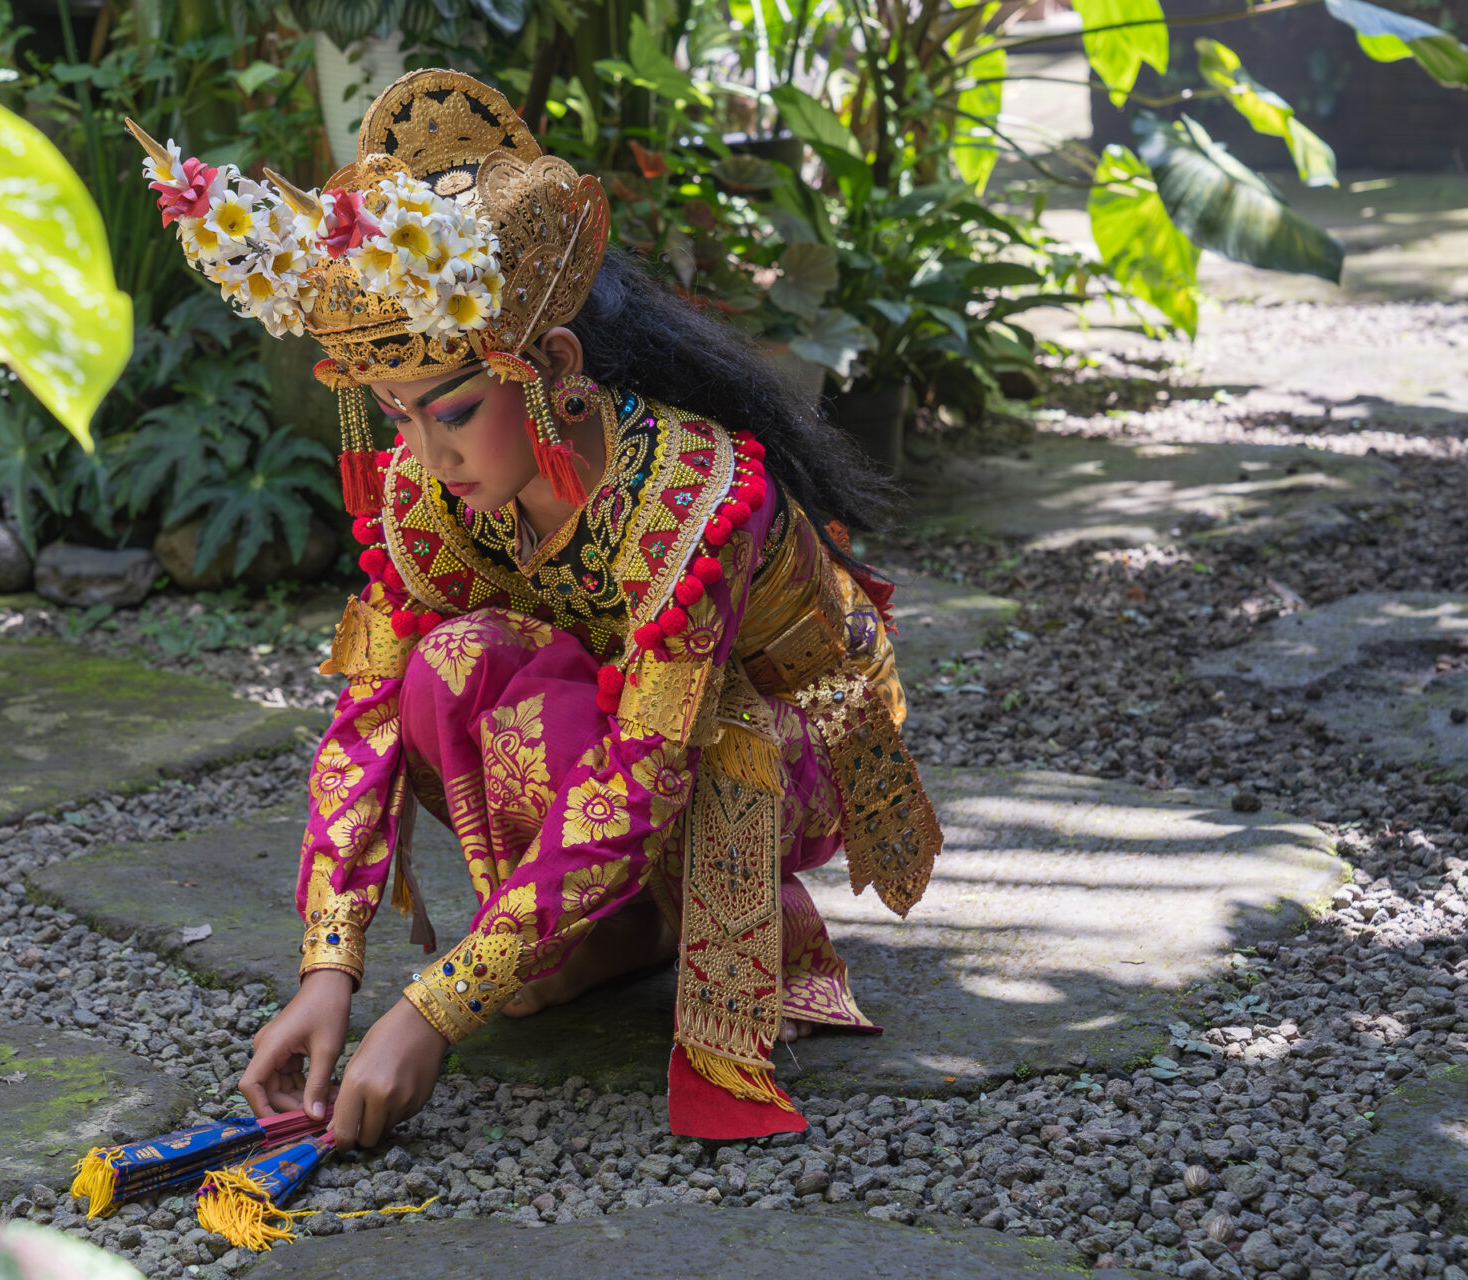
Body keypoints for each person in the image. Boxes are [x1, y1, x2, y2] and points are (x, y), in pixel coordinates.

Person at [127, 68, 942, 1151]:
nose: (426, 455)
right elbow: (369, 716)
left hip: (784, 743)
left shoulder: (697, 497)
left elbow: (644, 768)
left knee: (711, 730)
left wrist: (434, 1005)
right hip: (625, 716)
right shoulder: (435, 489)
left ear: (554, 364)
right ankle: (604, 930)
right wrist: (331, 966)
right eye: (398, 417)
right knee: (450, 664)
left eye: (455, 411)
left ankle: (692, 929)